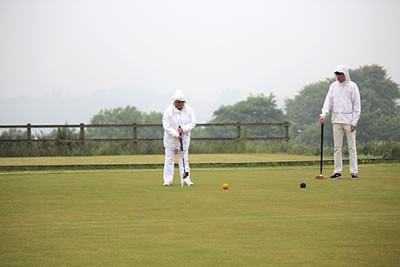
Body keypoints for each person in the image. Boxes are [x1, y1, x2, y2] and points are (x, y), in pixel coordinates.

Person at [320, 65, 361, 179]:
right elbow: (328, 101)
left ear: (345, 74)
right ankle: (337, 171)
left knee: (352, 147)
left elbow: (357, 105)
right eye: (337, 74)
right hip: (336, 120)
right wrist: (324, 114)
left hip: (349, 121)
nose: (338, 77)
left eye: (340, 74)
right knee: (337, 147)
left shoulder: (353, 86)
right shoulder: (333, 86)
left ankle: (354, 171)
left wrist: (354, 121)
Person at [162, 90, 197, 186]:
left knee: (184, 159)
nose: (181, 104)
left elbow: (193, 123)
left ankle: (186, 179)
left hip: (184, 139)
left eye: (182, 102)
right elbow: (166, 126)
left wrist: (184, 129)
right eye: (179, 102)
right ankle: (168, 180)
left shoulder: (189, 110)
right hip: (171, 140)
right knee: (169, 159)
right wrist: (176, 134)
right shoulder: (168, 111)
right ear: (174, 102)